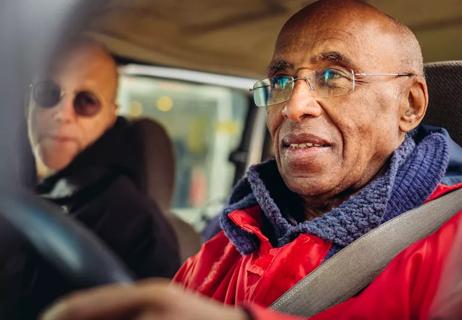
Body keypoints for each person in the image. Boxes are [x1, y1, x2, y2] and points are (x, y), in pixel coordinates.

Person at [40, 1, 462, 319]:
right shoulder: (224, 246)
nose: (293, 107)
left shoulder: (451, 240)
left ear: (410, 104)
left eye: (334, 77)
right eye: (281, 81)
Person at [20, 38, 180, 318]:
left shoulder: (139, 225)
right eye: (48, 93)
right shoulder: (21, 194)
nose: (62, 114)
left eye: (86, 101)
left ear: (109, 116)